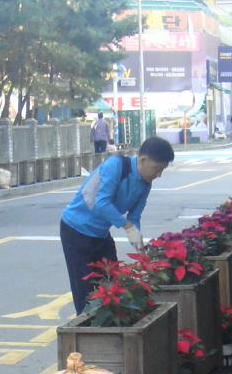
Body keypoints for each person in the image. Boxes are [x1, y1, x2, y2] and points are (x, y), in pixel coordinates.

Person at [59, 135, 175, 315]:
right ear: (143, 160)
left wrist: (138, 242)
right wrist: (127, 226)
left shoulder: (145, 184)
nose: (158, 175)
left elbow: (134, 217)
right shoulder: (117, 166)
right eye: (156, 169)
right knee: (84, 289)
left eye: (162, 171)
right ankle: (87, 331)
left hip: (100, 234)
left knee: (113, 282)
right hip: (75, 230)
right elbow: (101, 203)